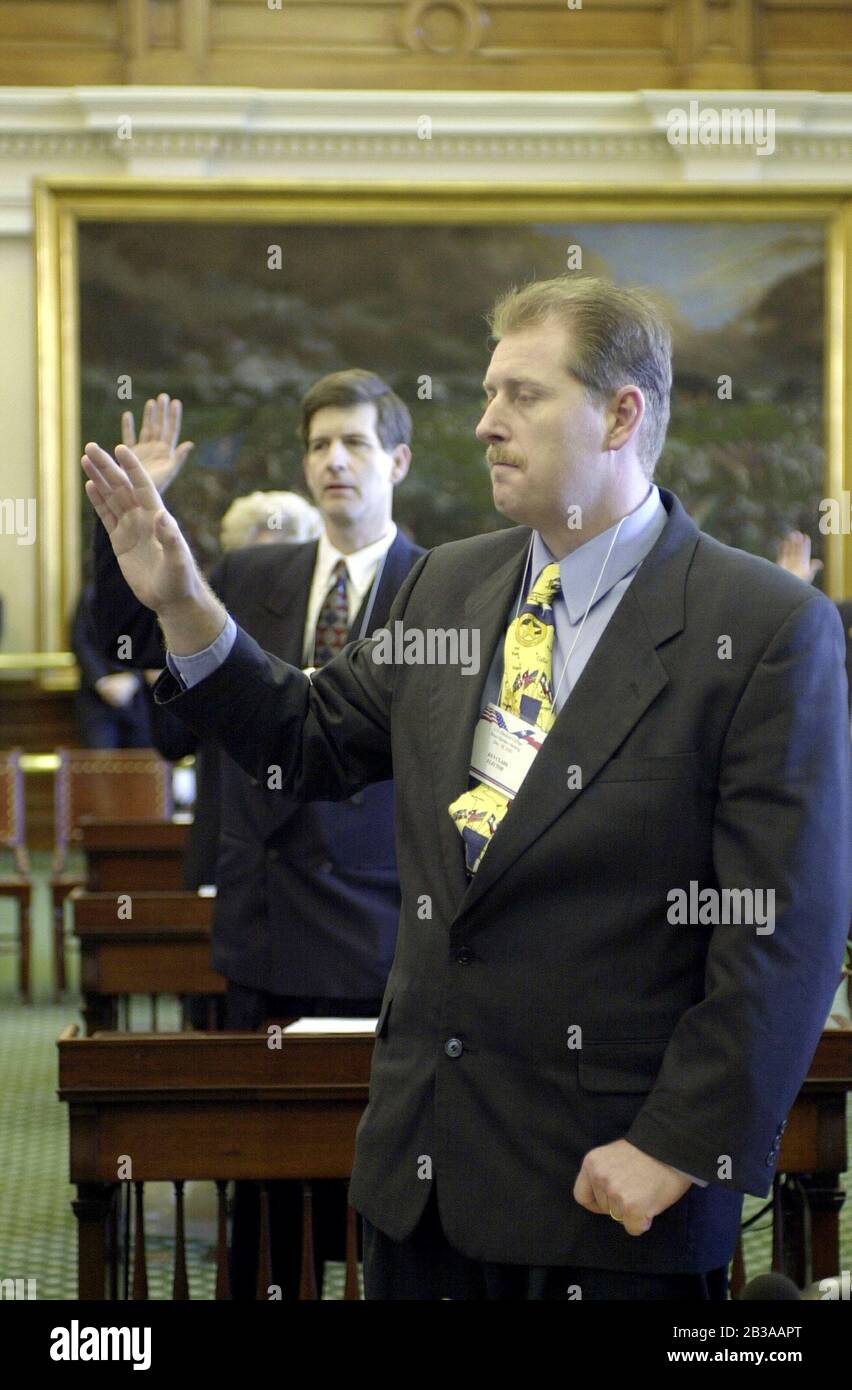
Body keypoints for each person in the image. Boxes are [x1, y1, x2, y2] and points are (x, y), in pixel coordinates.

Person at [82, 276, 851, 1301]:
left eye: (522, 395)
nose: (485, 422)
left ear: (623, 412)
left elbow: (785, 927)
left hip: (612, 1198)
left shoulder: (760, 627)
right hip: (423, 1183)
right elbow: (304, 741)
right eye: (488, 392)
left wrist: (681, 1147)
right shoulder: (448, 584)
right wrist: (182, 603)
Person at [89, 380, 423, 1298]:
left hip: (382, 937)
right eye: (318, 444)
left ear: (396, 462)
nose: (334, 461)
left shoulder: (442, 591)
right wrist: (131, 524)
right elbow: (142, 676)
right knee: (265, 1206)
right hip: (264, 930)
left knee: (379, 1207)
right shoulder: (250, 576)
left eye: (354, 442)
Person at [70, 584, 153, 748]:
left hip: (142, 700)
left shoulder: (152, 593)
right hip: (97, 701)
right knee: (101, 768)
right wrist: (101, 681)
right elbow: (80, 640)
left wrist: (134, 679)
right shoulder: (90, 593)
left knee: (145, 768)